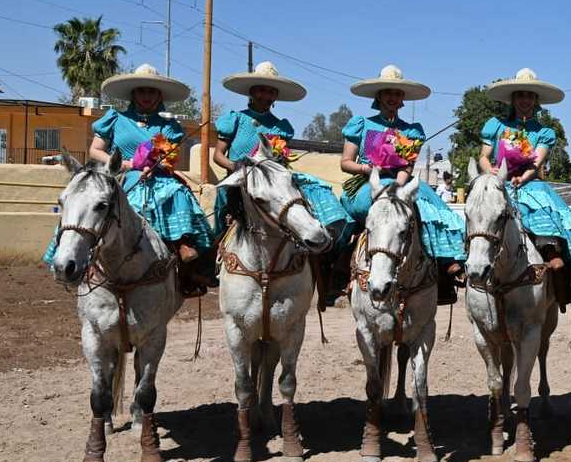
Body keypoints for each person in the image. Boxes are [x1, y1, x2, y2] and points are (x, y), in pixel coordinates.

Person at [43, 64, 215, 295]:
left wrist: (158, 165)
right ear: (133, 94)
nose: (146, 96)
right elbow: (95, 151)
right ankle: (69, 253)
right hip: (122, 177)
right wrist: (128, 165)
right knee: (91, 206)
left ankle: (184, 254)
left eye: (151, 92)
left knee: (177, 192)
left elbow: (171, 159)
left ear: (160, 95)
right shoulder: (114, 118)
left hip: (158, 177)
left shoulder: (170, 126)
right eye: (141, 91)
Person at [212, 61, 349, 300]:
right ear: (252, 92)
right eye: (261, 89)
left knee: (312, 193)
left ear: (276, 96)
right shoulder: (234, 120)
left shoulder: (281, 127)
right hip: (241, 180)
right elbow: (218, 155)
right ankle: (212, 259)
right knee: (223, 201)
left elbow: (280, 162)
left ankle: (323, 257)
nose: (266, 95)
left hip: (273, 181)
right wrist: (238, 168)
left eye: (271, 91)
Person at [340, 65, 466, 304]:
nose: (393, 97)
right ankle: (340, 274)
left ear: (403, 99)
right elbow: (345, 163)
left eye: (397, 94)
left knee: (431, 211)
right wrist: (367, 169)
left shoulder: (411, 131)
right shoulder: (362, 124)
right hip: (368, 182)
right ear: (379, 96)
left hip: (400, 182)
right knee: (359, 217)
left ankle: (443, 269)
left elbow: (407, 167)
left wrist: (398, 187)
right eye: (388, 92)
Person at [479, 68, 571, 310]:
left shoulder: (544, 131)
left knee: (549, 216)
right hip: (497, 182)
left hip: (529, 183)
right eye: (520, 95)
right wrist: (490, 171)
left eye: (530, 96)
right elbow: (483, 156)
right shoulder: (495, 125)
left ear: (536, 101)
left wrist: (521, 179)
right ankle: (465, 262)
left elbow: (537, 162)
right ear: (513, 99)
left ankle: (559, 264)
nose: (525, 100)